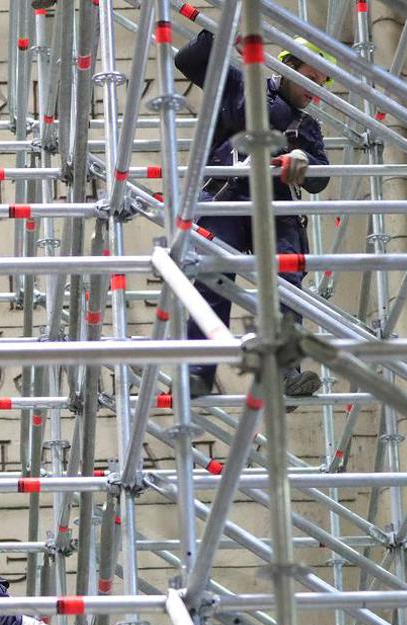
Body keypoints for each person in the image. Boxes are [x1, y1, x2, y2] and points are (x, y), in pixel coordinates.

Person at [173, 27, 333, 399]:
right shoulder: (242, 86)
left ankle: (285, 373)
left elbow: (319, 178)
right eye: (310, 78)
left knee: (287, 282)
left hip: (275, 208)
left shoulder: (306, 126)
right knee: (212, 277)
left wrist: (302, 157)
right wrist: (225, 35)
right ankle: (197, 372)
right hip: (227, 197)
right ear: (287, 68)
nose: (314, 89)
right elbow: (189, 60)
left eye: (321, 83)